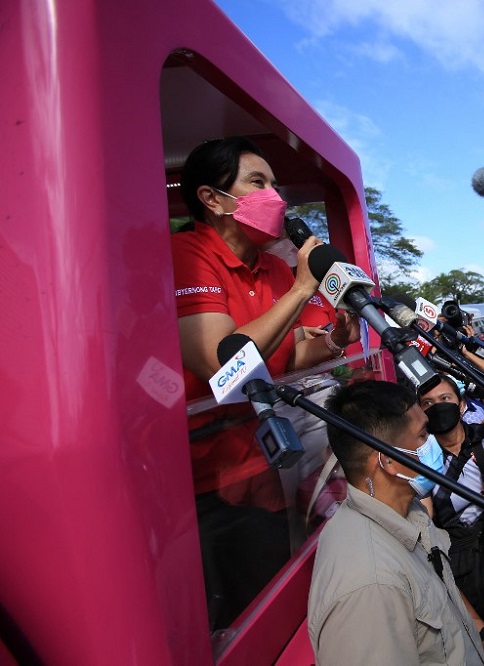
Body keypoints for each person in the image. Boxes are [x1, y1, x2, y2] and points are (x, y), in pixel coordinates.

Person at [173, 136, 359, 629]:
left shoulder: (274, 266)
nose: (275, 196)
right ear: (212, 199)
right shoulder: (186, 254)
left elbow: (289, 352)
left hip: (276, 465)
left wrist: (336, 341)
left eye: (276, 184)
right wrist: (302, 289)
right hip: (219, 481)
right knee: (255, 611)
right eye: (258, 183)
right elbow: (221, 363)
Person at [308, 380, 484, 665]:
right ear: (388, 461)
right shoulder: (369, 588)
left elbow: (439, 585)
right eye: (422, 436)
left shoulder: (409, 509)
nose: (432, 443)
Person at [420, 374, 484, 620]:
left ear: (460, 404)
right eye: (427, 403)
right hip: (459, 563)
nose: (437, 406)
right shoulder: (420, 459)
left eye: (445, 398)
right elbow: (425, 517)